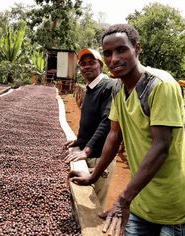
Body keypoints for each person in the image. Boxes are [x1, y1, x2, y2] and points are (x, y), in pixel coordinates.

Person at [69, 24, 185, 236]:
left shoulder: (160, 85)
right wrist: (93, 176)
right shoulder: (117, 87)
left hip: (174, 205)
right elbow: (114, 136)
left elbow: (161, 146)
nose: (114, 59)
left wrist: (122, 200)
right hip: (141, 201)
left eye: (121, 50)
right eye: (108, 53)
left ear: (137, 48)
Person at [63, 48, 116, 209]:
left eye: (92, 63)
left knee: (94, 204)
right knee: (84, 198)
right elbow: (89, 121)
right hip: (89, 152)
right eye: (83, 64)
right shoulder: (91, 88)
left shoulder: (108, 87)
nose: (87, 67)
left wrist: (86, 150)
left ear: (100, 65)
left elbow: (106, 122)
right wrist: (79, 141)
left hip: (100, 156)